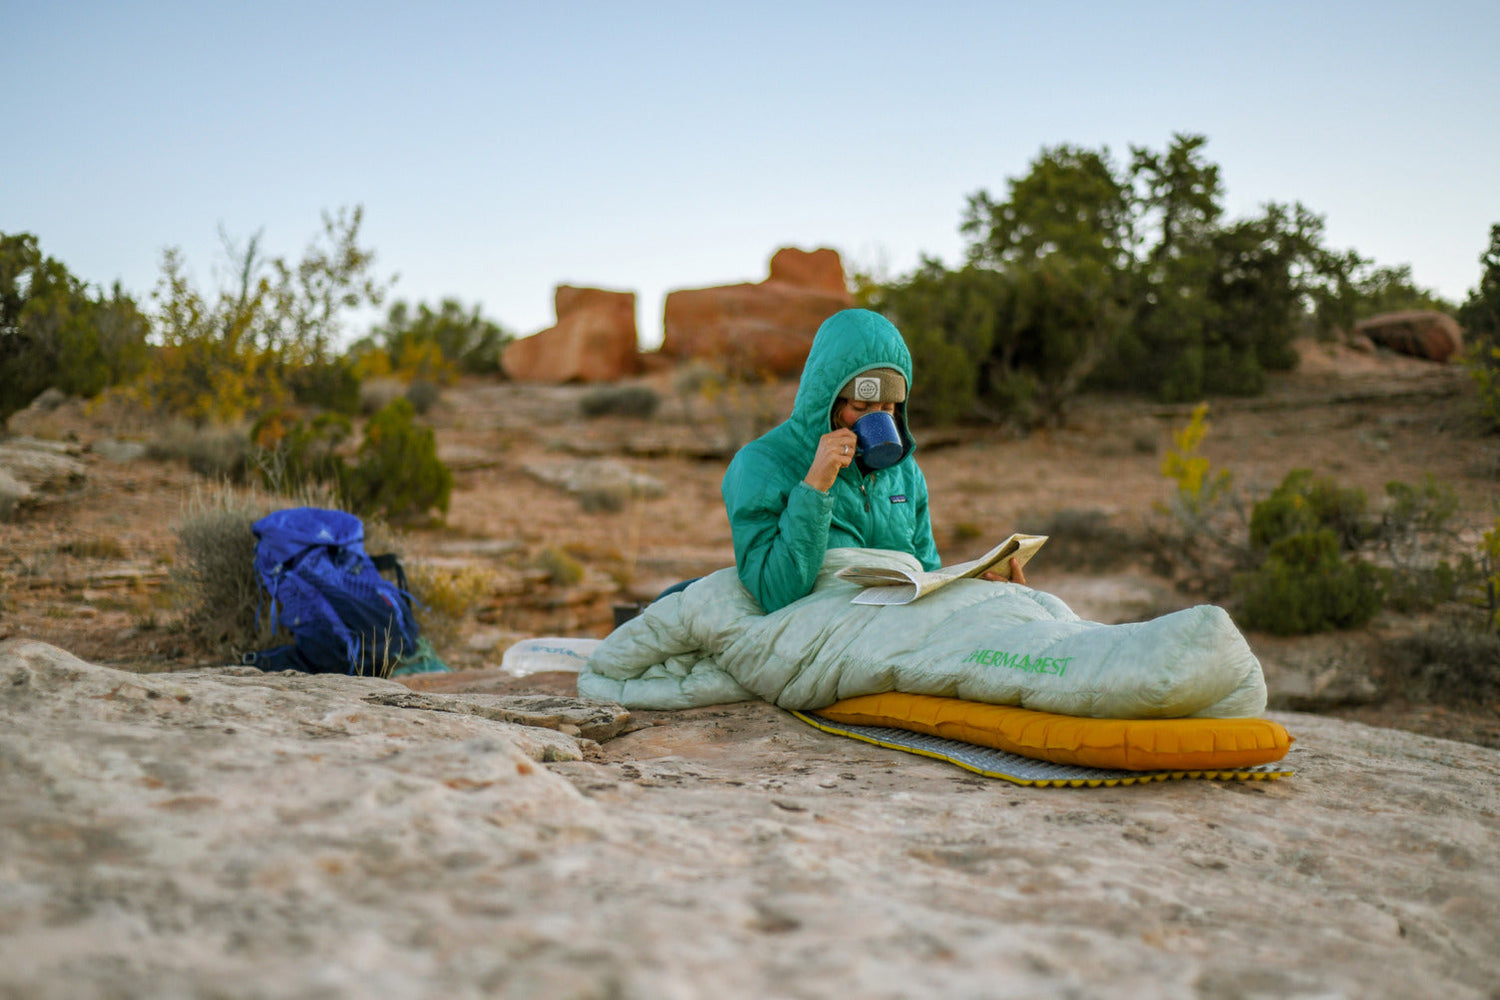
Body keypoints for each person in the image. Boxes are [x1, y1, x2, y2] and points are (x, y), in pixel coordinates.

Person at [721, 308, 1024, 614]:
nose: (876, 418)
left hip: (897, 623)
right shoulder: (760, 464)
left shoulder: (905, 472)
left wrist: (981, 590)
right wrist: (814, 488)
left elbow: (927, 574)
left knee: (1021, 609)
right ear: (826, 400)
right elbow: (775, 593)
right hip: (822, 625)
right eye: (860, 406)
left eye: (889, 407)